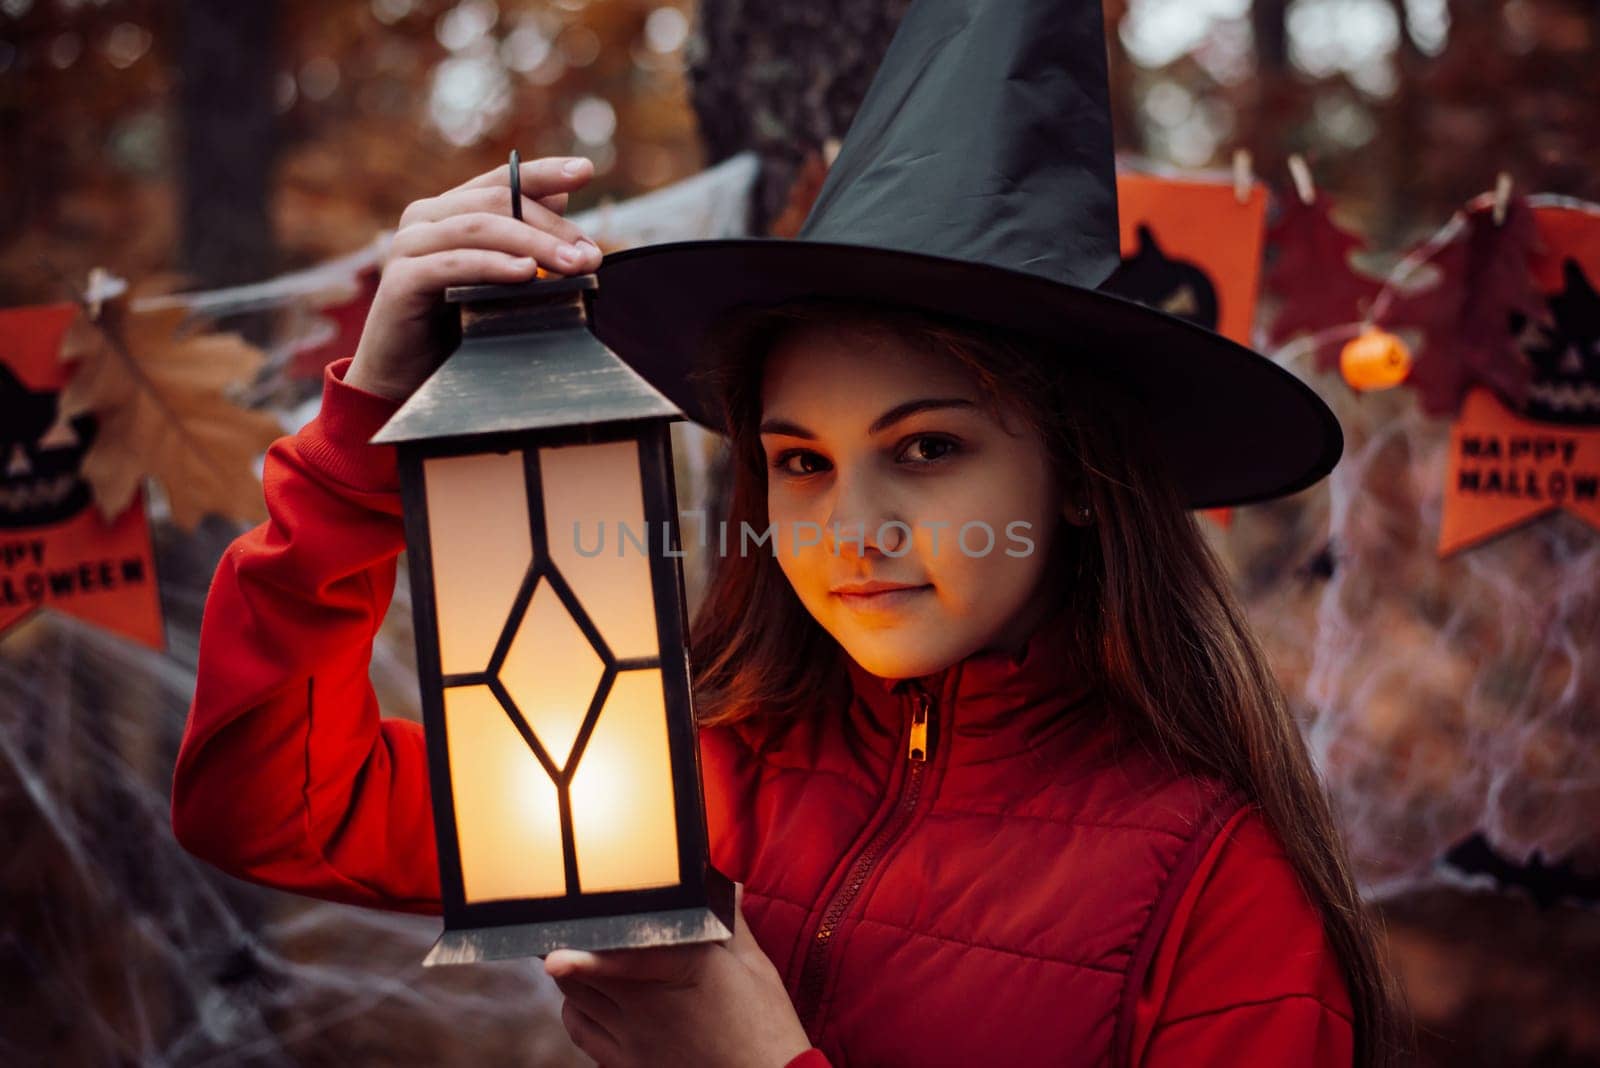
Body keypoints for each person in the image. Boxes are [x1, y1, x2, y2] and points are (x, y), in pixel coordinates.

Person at [173, 2, 1412, 1064]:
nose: (849, 529)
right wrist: (373, 420)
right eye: (800, 462)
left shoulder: (1224, 904)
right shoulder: (668, 781)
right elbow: (267, 795)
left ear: (1079, 474)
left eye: (926, 449)